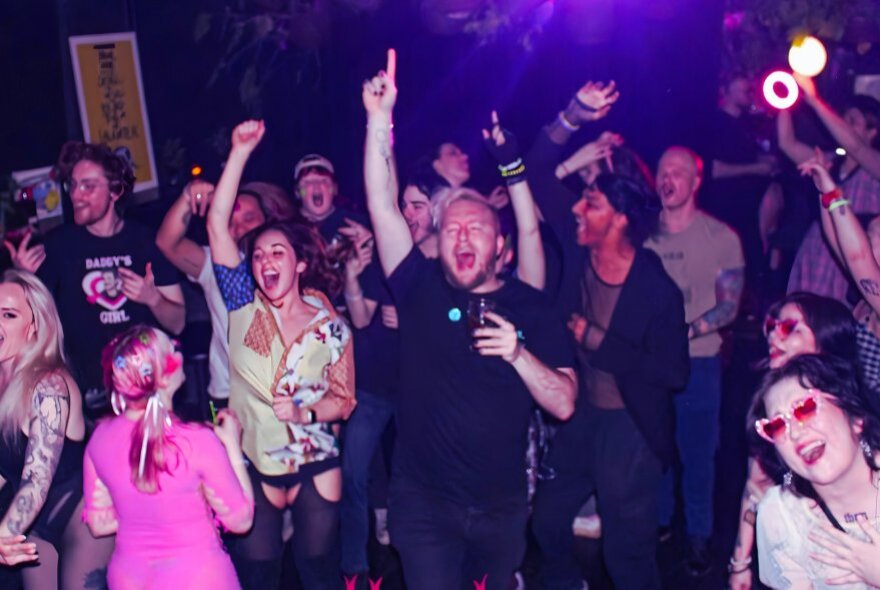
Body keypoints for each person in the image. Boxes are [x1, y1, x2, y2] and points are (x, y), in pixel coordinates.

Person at [363, 49, 576, 590]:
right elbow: (383, 208)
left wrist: (518, 353)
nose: (461, 237)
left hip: (500, 511)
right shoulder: (418, 287)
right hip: (424, 506)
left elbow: (564, 402)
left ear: (499, 246)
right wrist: (377, 120)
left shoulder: (530, 306)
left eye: (475, 229)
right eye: (451, 228)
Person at [208, 120, 356, 590]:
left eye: (278, 252)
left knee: (318, 574)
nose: (266, 261)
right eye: (258, 256)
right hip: (254, 462)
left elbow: (344, 401)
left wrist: (306, 409)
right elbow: (216, 225)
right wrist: (238, 152)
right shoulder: (241, 307)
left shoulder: (328, 324)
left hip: (315, 460)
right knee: (258, 576)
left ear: (300, 262)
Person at [531, 167, 690, 589]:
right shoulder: (578, 247)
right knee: (546, 519)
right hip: (582, 417)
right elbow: (535, 166)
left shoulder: (656, 290)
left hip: (630, 428)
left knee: (626, 554)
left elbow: (675, 372)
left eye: (592, 203)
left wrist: (603, 342)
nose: (578, 209)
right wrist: (574, 117)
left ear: (621, 218)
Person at [5, 142, 185, 419]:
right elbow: (27, 320)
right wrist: (23, 277)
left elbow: (178, 322)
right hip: (86, 400)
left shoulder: (146, 242)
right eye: (73, 185)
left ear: (115, 190)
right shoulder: (59, 244)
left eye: (88, 186)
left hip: (145, 396)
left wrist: (153, 299)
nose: (76, 194)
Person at [83, 325, 254, 589]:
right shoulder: (197, 442)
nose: (179, 349)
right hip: (199, 580)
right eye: (172, 347)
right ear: (162, 377)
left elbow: (98, 523)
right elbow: (241, 520)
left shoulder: (99, 438)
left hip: (130, 579)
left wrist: (142, 512)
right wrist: (232, 445)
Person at [645, 146, 745, 575]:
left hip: (699, 362)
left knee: (698, 453)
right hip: (649, 365)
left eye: (678, 173)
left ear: (695, 180)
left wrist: (686, 331)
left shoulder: (720, 237)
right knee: (654, 449)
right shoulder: (644, 237)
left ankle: (700, 536)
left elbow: (730, 306)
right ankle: (662, 523)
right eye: (662, 171)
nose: (668, 179)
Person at [728, 292, 864, 590]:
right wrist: (740, 563)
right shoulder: (771, 409)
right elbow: (754, 488)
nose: (774, 334)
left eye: (789, 327)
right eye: (772, 327)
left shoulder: (857, 404)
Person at [0, 269, 111, 590]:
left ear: (34, 326)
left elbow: (37, 478)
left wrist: (4, 534)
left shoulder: (48, 385)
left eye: (8, 314)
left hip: (82, 519)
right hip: (35, 524)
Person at [156, 178, 298, 405]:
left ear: (267, 220)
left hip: (280, 391)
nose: (239, 228)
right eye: (230, 222)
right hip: (227, 393)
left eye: (249, 218)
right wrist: (186, 197)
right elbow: (167, 243)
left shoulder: (288, 263)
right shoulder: (213, 264)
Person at [750, 353, 880, 589]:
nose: (795, 433)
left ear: (856, 418)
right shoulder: (783, 517)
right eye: (777, 425)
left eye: (806, 408)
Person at [781, 80, 880, 302]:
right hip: (817, 252)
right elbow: (787, 144)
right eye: (843, 118)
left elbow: (858, 147)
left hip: (857, 257)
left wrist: (815, 101)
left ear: (872, 131)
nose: (843, 125)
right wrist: (784, 99)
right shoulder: (829, 163)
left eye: (852, 121)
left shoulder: (875, 166)